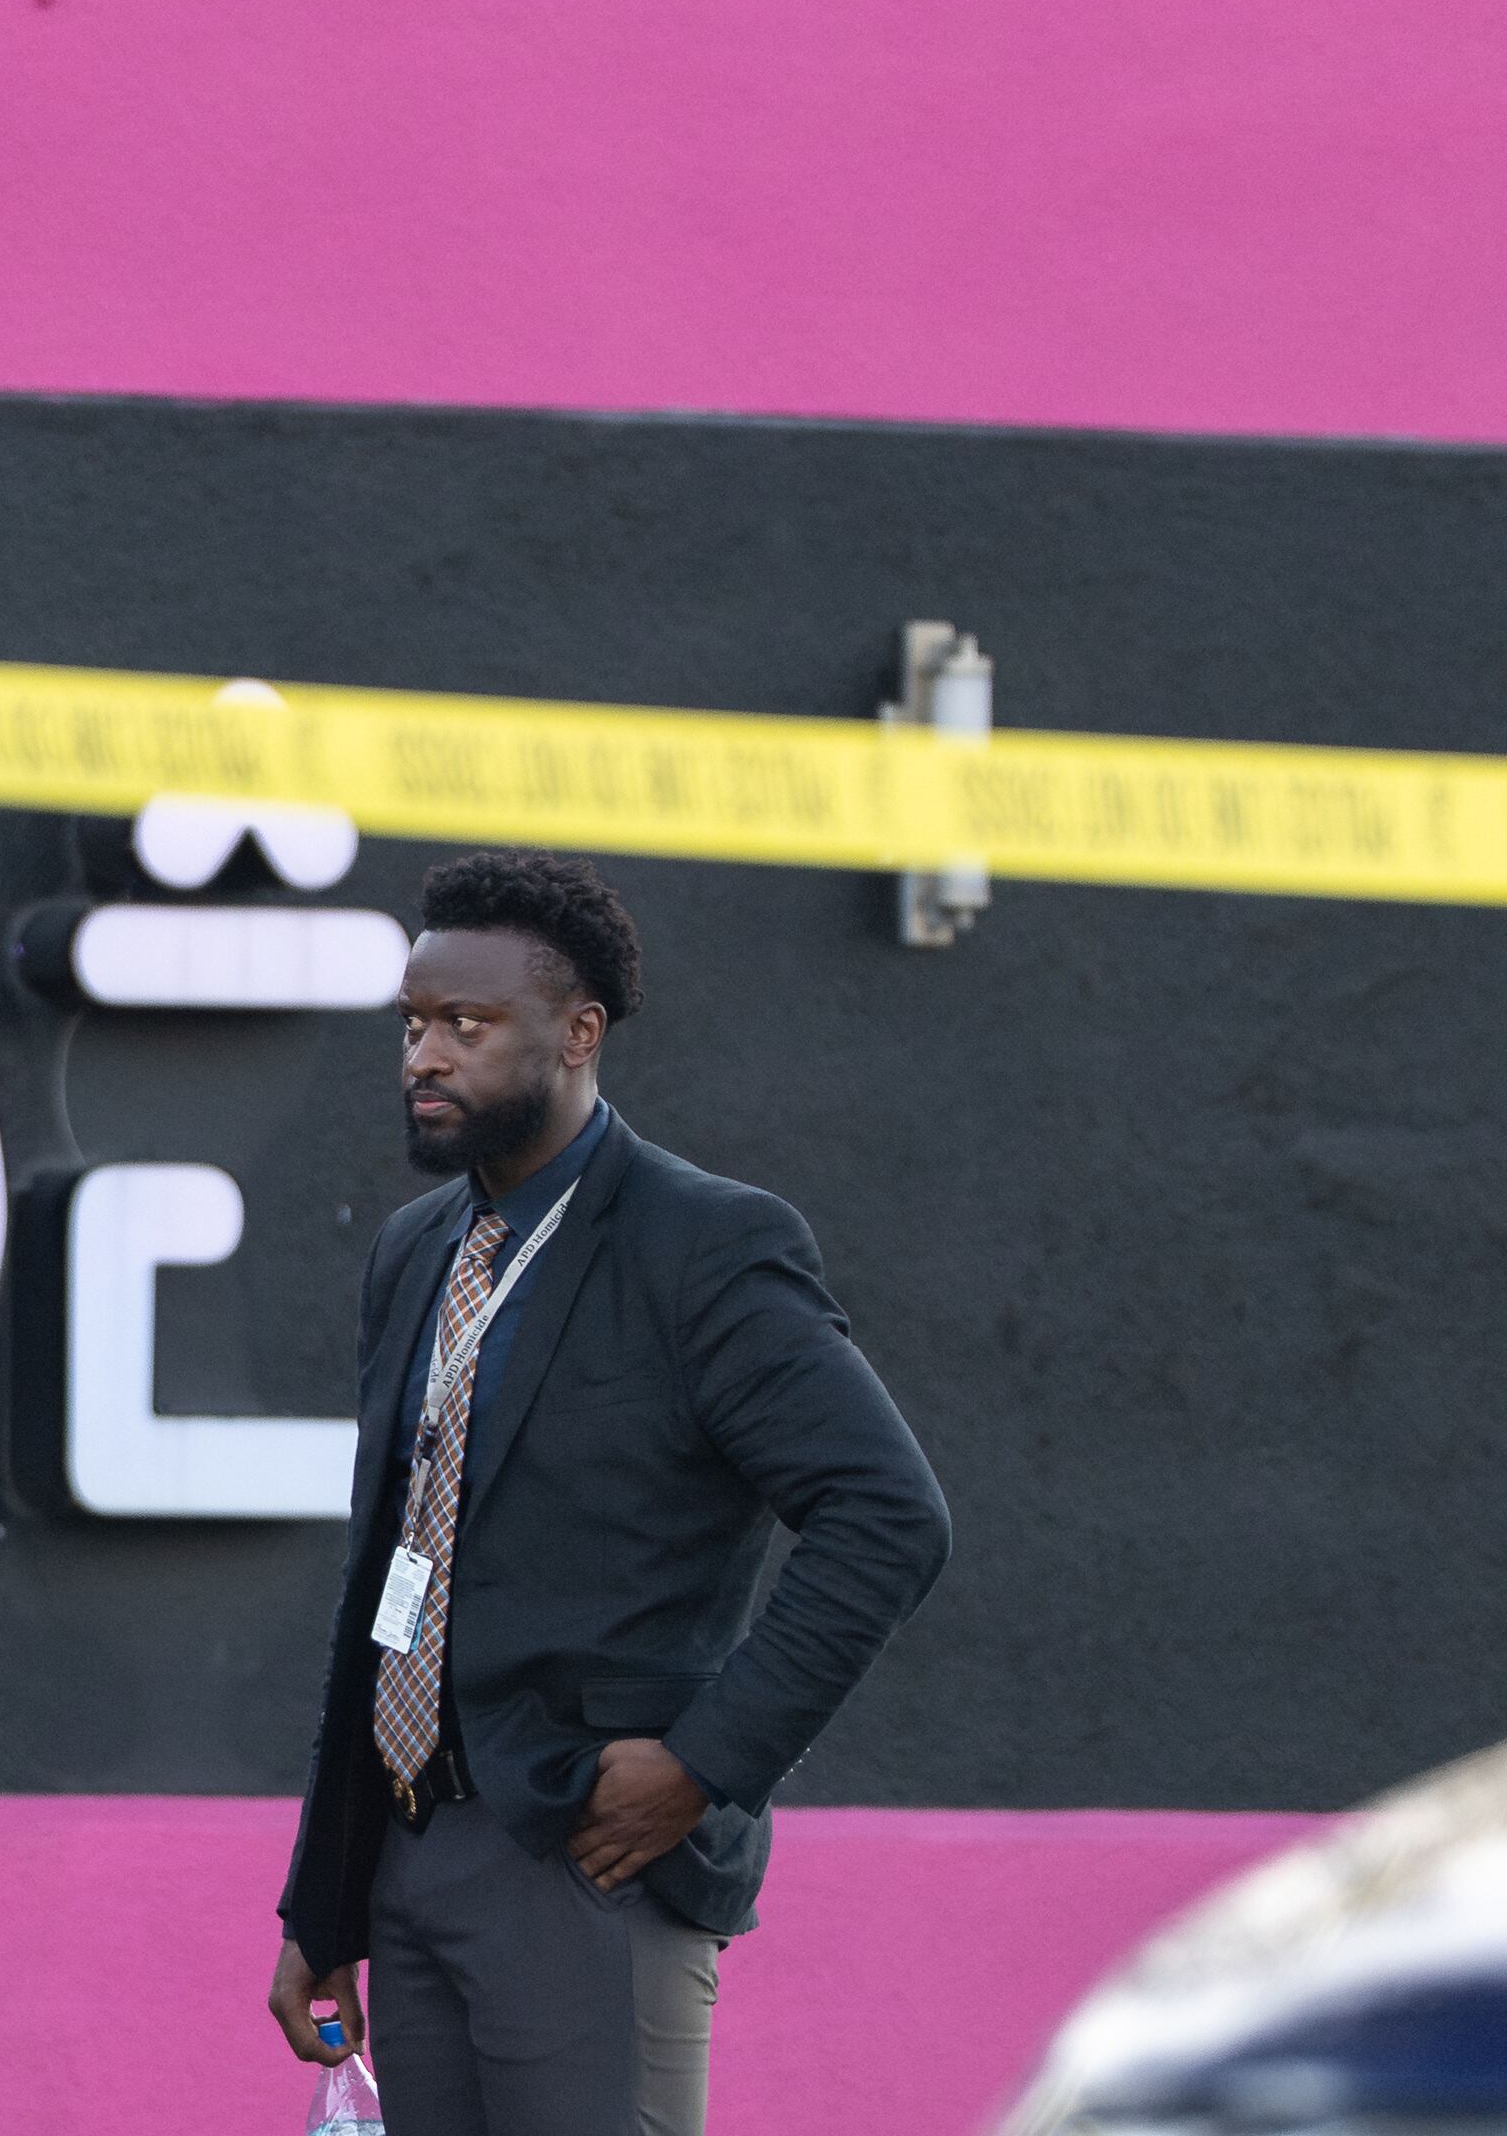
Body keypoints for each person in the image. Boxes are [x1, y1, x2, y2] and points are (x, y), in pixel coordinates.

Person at [263, 851, 952, 2136]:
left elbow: (889, 1517)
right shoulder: (417, 1251)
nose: (424, 1056)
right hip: (415, 1856)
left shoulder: (705, 1247)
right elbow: (389, 1585)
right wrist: (329, 1899)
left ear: (579, 1034)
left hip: (588, 1859)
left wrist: (705, 1763)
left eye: (467, 1026)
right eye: (412, 1025)